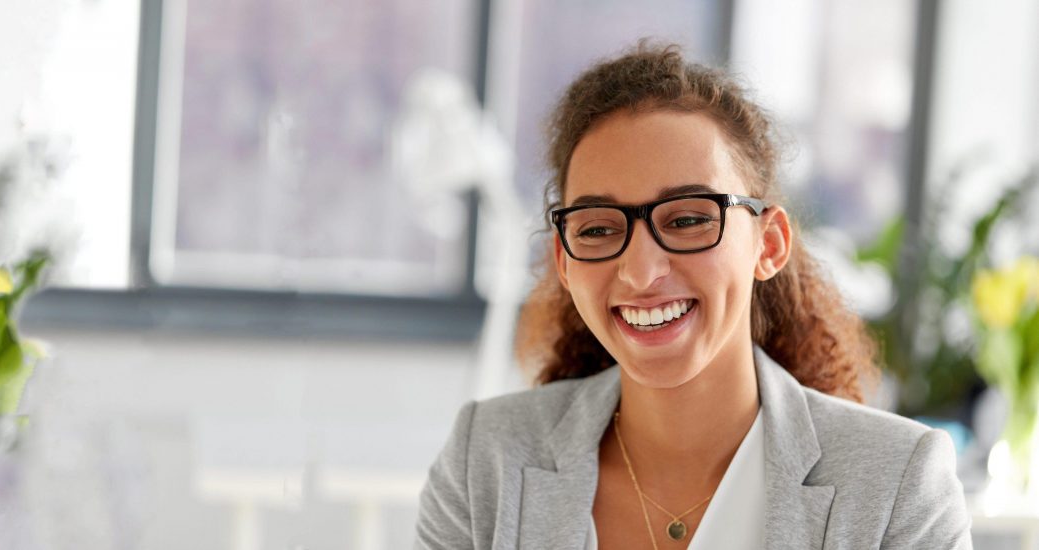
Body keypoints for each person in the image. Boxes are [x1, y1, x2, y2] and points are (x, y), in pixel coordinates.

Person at [414, 42, 972, 549]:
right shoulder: (484, 461)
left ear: (769, 244)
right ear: (564, 262)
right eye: (598, 229)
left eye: (686, 219)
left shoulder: (898, 483)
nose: (639, 272)